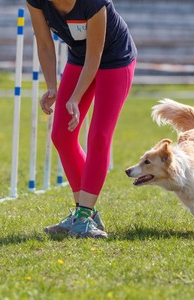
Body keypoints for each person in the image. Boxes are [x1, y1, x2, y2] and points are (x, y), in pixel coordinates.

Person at [26, 0, 137, 238]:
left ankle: (84, 216)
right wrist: (52, 88)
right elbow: (45, 44)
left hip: (115, 60)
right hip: (79, 59)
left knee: (98, 136)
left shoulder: (94, 2)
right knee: (61, 136)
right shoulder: (36, 1)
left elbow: (95, 55)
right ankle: (84, 214)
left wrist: (75, 98)